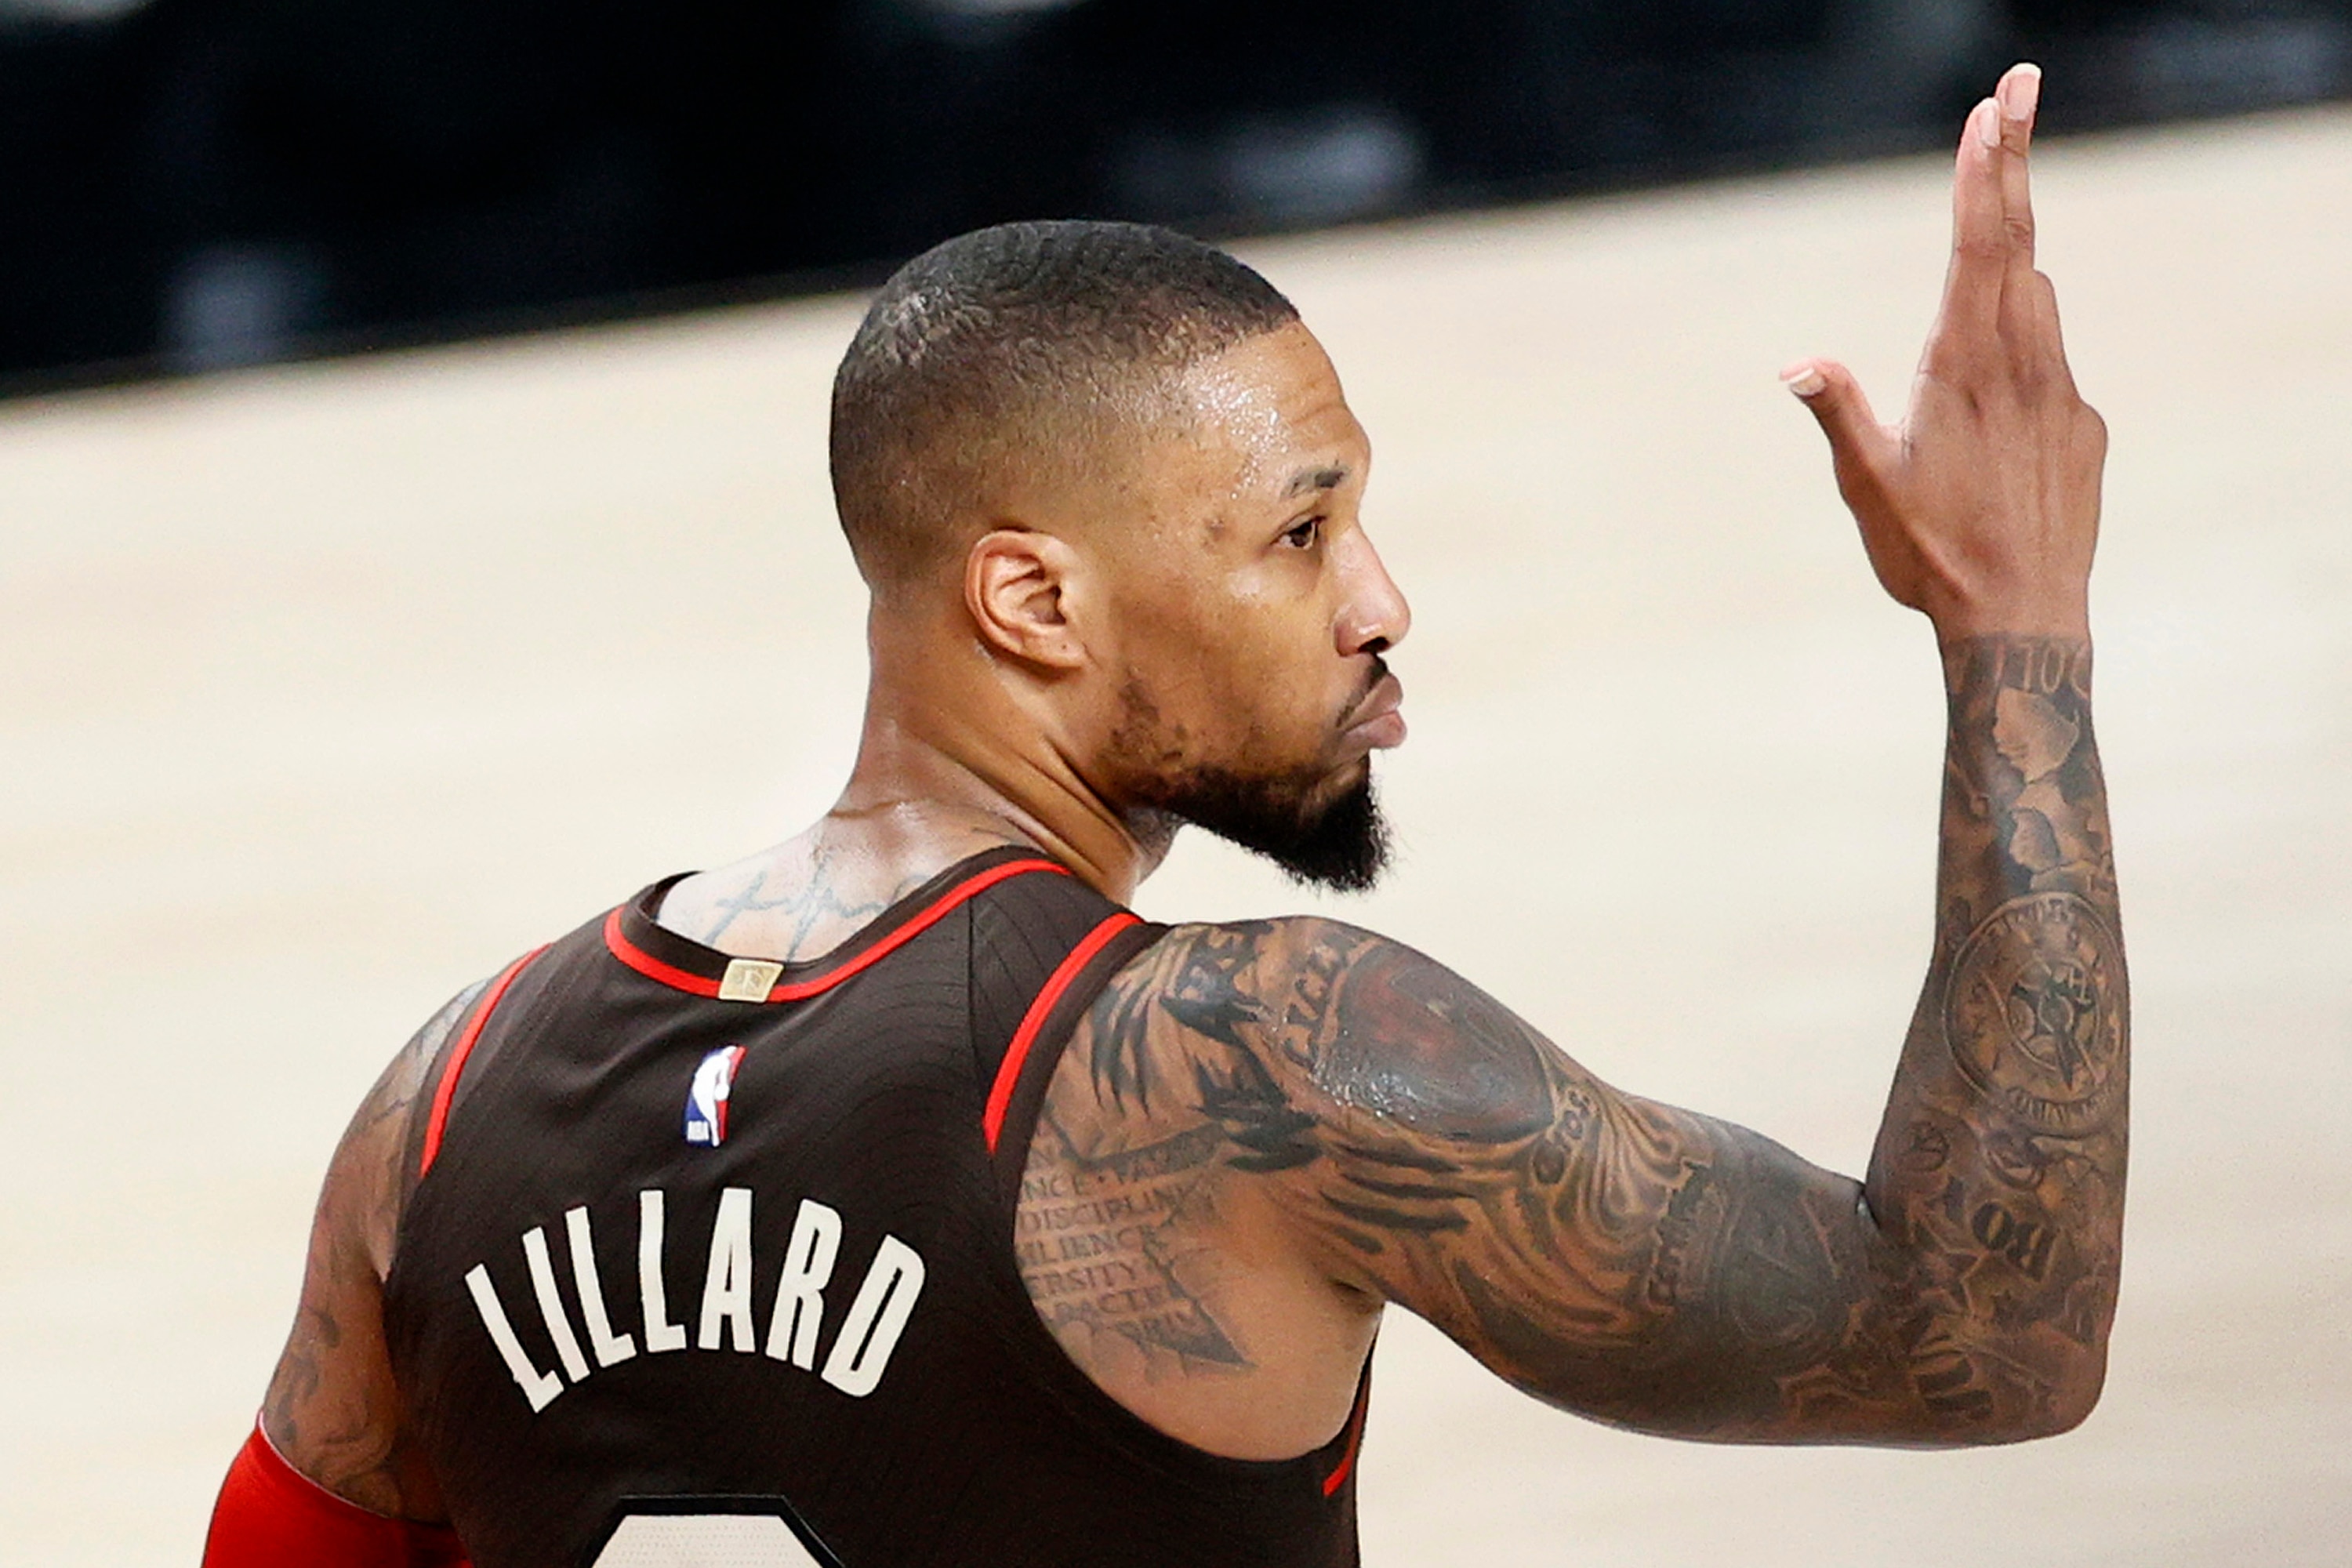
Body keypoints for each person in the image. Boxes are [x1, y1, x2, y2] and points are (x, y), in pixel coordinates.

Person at [202, 62, 2125, 1568]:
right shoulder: (1255, 1061)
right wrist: (2013, 631)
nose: (1379, 600)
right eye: (1300, 534)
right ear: (1031, 600)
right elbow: (1978, 1326)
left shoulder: (440, 1102)